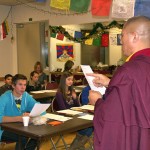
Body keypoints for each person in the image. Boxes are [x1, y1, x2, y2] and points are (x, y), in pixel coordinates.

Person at [87, 16, 150, 150]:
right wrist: (111, 83)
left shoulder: (128, 71)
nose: (121, 41)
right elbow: (142, 93)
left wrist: (97, 101)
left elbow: (112, 117)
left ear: (134, 36)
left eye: (122, 35)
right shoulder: (138, 69)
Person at [0, 74, 38, 150]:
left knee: (37, 135)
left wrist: (30, 114)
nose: (23, 87)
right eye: (20, 84)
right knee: (23, 136)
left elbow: (37, 106)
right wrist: (19, 118)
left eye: (24, 85)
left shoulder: (26, 96)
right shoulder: (4, 97)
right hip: (3, 129)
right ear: (13, 86)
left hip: (19, 127)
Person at [55, 72, 91, 149]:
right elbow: (63, 109)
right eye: (69, 79)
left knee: (91, 126)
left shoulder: (72, 91)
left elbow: (78, 106)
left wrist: (75, 98)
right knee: (87, 126)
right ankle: (77, 145)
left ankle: (76, 145)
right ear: (63, 80)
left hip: (74, 115)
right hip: (66, 117)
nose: (71, 81)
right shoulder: (59, 93)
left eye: (72, 79)